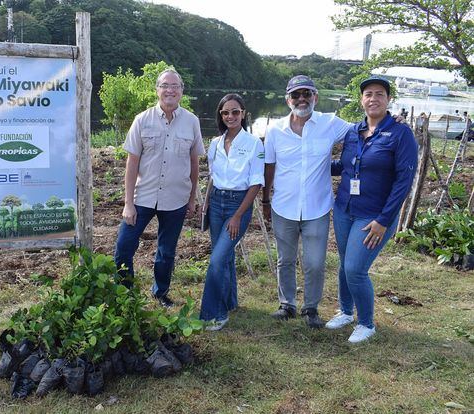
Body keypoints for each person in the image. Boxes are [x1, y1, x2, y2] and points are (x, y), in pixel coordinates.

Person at [326, 76, 418, 343]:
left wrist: (384, 220)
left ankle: (366, 323)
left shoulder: (401, 133)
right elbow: (345, 166)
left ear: (388, 100)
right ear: (361, 100)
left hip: (375, 216)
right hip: (344, 209)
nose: (373, 98)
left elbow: (404, 180)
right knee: (344, 264)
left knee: (355, 268)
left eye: (379, 94)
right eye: (368, 94)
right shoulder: (353, 132)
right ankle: (345, 311)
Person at [262, 75, 351, 328]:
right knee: (285, 259)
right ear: (287, 99)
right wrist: (266, 201)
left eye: (307, 94)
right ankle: (286, 304)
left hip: (317, 207)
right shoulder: (275, 130)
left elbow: (364, 128)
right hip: (283, 206)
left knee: (314, 262)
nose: (302, 99)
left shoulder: (330, 123)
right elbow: (269, 166)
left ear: (316, 97)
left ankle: (310, 308)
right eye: (296, 95)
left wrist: (391, 120)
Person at [114, 68, 205, 308]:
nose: (170, 90)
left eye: (175, 86)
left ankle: (160, 293)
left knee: (166, 252)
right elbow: (131, 163)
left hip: (176, 199)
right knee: (124, 247)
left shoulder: (191, 122)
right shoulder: (142, 120)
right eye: (165, 85)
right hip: (143, 197)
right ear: (157, 89)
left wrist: (192, 199)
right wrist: (128, 203)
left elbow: (194, 163)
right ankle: (125, 295)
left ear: (182, 92)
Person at [200, 94, 264, 331]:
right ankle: (230, 302)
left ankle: (214, 313)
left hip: (239, 204)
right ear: (221, 115)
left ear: (243, 114)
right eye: (225, 113)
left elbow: (256, 183)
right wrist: (206, 203)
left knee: (216, 260)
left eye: (235, 112)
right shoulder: (215, 143)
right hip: (216, 203)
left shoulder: (254, 144)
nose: (230, 117)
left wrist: (237, 215)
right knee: (223, 257)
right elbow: (212, 177)